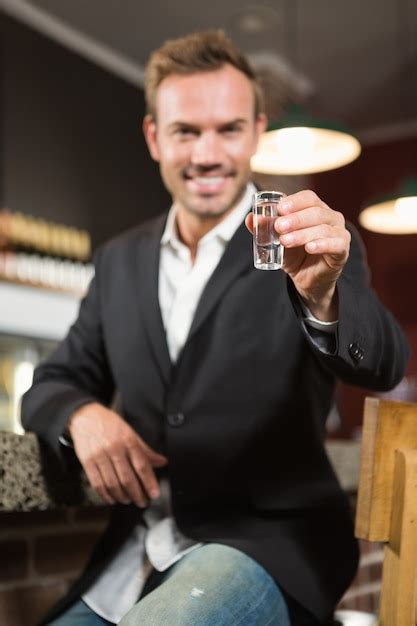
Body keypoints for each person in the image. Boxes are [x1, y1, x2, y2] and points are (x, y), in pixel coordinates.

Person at [21, 29, 409, 626]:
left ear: (256, 131)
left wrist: (324, 296)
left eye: (228, 129)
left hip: (268, 548)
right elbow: (52, 381)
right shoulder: (119, 260)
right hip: (133, 557)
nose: (207, 154)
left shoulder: (309, 243)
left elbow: (384, 360)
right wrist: (80, 413)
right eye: (185, 131)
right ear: (155, 136)